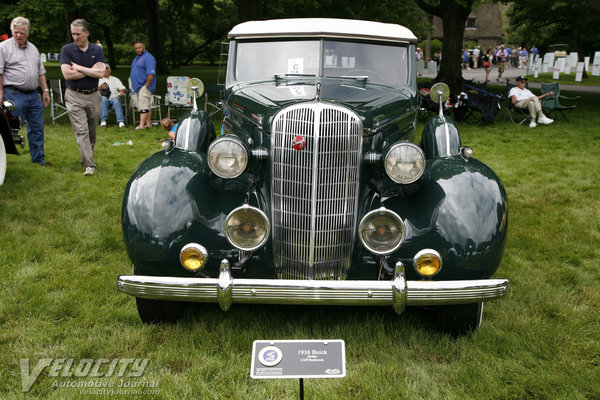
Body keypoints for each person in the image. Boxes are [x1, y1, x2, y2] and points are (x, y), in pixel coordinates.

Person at [0, 17, 53, 167]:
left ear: (27, 33)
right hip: (13, 94)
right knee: (9, 130)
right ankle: (3, 161)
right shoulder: (3, 48)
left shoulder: (33, 49)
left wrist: (46, 90)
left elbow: (40, 72)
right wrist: (0, 93)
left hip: (33, 95)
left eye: (22, 33)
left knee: (37, 129)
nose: (18, 35)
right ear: (12, 32)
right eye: (16, 32)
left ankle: (38, 159)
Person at [60, 19, 105, 176]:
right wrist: (90, 70)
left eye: (78, 34)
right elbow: (66, 74)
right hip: (74, 96)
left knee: (92, 132)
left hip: (93, 95)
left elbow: (101, 73)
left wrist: (78, 68)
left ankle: (85, 158)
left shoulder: (97, 50)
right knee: (82, 130)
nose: (75, 37)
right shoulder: (67, 50)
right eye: (73, 34)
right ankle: (90, 165)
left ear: (87, 33)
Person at [130, 40, 156, 130]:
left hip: (144, 86)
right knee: (144, 105)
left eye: (139, 48)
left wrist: (147, 85)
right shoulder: (136, 58)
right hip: (137, 87)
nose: (137, 50)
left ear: (144, 47)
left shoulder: (148, 57)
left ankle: (141, 126)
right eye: (136, 48)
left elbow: (151, 73)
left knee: (143, 106)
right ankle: (148, 125)